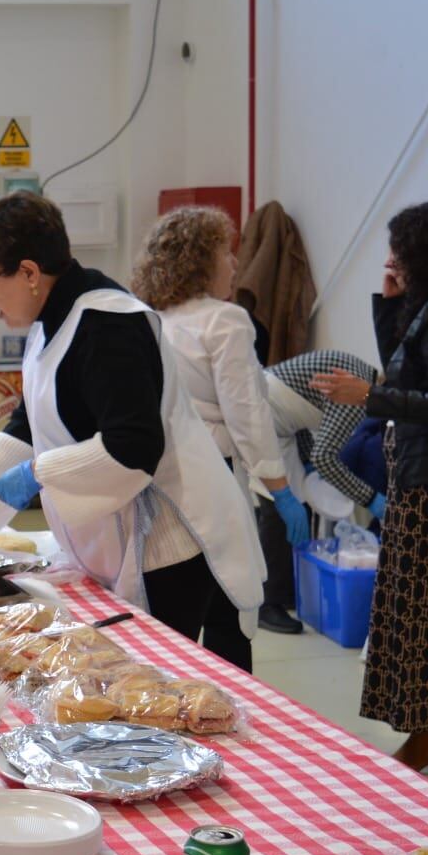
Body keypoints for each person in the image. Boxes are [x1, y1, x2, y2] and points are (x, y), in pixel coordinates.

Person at [0, 192, 265, 659]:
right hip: (121, 535)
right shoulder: (49, 321)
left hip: (171, 542)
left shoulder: (106, 325)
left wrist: (38, 474)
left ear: (28, 272)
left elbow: (134, 447)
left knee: (158, 683)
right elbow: (30, 419)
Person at [312, 201, 428, 775]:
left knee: (421, 605)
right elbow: (405, 372)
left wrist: (365, 395)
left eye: (401, 249)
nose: (391, 257)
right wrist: (393, 299)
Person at [129, 206, 304, 670]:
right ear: (201, 261)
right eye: (226, 253)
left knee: (171, 619)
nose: (234, 265)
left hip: (157, 484)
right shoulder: (224, 320)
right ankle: (229, 723)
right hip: (213, 478)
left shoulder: (147, 316)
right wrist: (281, 489)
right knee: (228, 613)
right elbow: (247, 413)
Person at [256, 350, 382, 633]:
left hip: (276, 420)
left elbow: (297, 416)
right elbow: (328, 459)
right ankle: (267, 604)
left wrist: (307, 462)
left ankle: (286, 590)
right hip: (262, 423)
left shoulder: (359, 372)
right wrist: (372, 499)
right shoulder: (358, 397)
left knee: (296, 507)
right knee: (277, 511)